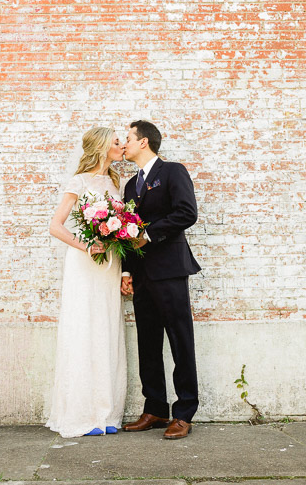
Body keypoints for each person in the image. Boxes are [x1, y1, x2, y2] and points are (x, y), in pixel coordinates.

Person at [120, 120, 201, 440]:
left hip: (170, 271)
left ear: (144, 142)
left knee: (181, 342)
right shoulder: (129, 187)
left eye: (127, 138)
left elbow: (187, 212)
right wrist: (126, 271)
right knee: (148, 343)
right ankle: (154, 408)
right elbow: (123, 234)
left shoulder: (172, 172)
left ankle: (184, 413)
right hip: (142, 276)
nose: (123, 144)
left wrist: (149, 234)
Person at [46, 126, 129, 437]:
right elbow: (56, 225)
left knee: (106, 328)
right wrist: (85, 245)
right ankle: (81, 413)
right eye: (117, 142)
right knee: (84, 328)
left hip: (110, 263)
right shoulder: (78, 182)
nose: (123, 146)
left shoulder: (115, 181)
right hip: (85, 262)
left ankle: (106, 412)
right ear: (103, 147)